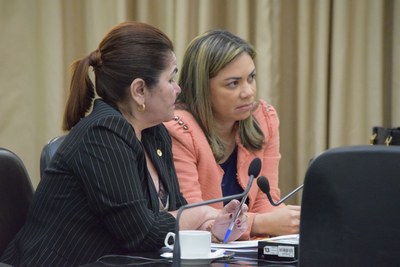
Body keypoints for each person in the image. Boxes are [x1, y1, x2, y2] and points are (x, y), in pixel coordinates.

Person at [0, 22, 248, 266]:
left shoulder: (155, 132)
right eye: (171, 79)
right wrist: (203, 213)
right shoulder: (102, 134)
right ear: (139, 90)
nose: (178, 89)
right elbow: (141, 233)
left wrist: (212, 228)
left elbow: (176, 210)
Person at [164, 29, 301, 240]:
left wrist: (287, 222)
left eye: (251, 78)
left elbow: (266, 201)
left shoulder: (263, 119)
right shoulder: (179, 129)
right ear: (203, 88)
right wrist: (262, 224)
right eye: (233, 83)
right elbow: (194, 219)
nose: (248, 92)